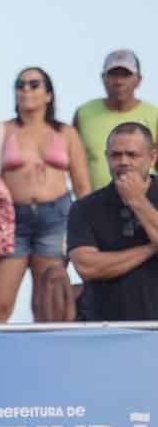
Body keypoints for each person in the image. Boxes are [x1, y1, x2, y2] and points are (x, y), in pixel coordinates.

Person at [0, 67, 90, 322]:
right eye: (20, 84)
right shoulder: (1, 131)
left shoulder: (66, 133)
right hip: (11, 222)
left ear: (48, 94)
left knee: (49, 307)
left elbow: (83, 188)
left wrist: (88, 234)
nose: (26, 89)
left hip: (56, 219)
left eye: (34, 84)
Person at [67, 123, 158, 321]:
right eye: (116, 155)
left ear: (152, 157)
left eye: (132, 155)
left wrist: (137, 201)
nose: (123, 162)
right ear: (106, 157)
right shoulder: (85, 208)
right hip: (106, 328)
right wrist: (151, 248)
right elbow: (88, 267)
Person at [73, 49, 158, 190]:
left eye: (126, 75)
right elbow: (74, 163)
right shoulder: (83, 114)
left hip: (146, 198)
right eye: (113, 75)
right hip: (96, 200)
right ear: (103, 78)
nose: (119, 81)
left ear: (139, 80)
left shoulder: (154, 115)